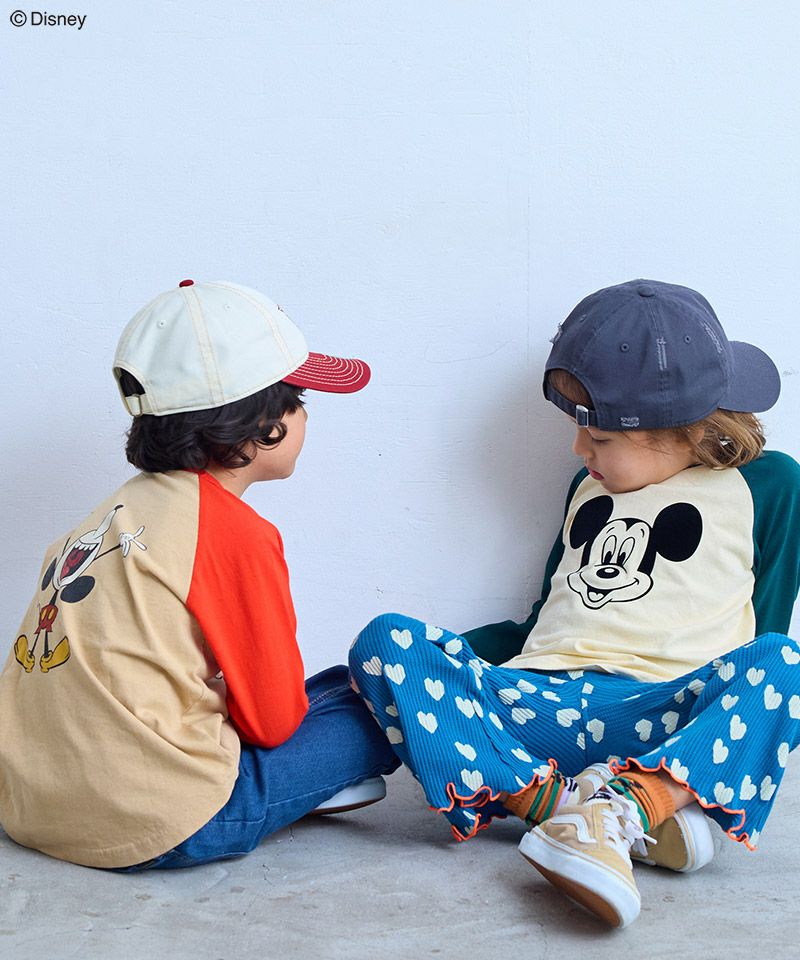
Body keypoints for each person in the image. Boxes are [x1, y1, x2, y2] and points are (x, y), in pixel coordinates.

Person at [349, 279, 800, 928]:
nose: (579, 450)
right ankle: (573, 813)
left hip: (662, 709)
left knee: (785, 662)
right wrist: (432, 663)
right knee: (385, 639)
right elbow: (546, 622)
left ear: (680, 429)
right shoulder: (584, 489)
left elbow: (766, 625)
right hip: (540, 706)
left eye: (601, 438)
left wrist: (740, 711)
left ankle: (633, 804)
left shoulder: (770, 483)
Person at [0, 278, 399, 870]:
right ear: (262, 423)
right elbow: (272, 722)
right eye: (300, 401)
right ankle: (292, 792)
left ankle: (298, 786)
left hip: (33, 805)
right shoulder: (234, 532)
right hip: (162, 821)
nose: (305, 418)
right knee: (376, 699)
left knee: (329, 687)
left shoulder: (108, 515)